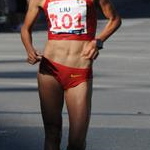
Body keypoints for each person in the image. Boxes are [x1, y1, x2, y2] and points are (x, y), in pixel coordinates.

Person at [21, 0, 121, 150]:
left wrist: (98, 42)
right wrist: (30, 50)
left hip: (79, 71)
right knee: (52, 134)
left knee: (77, 141)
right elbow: (25, 29)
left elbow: (115, 19)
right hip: (50, 70)